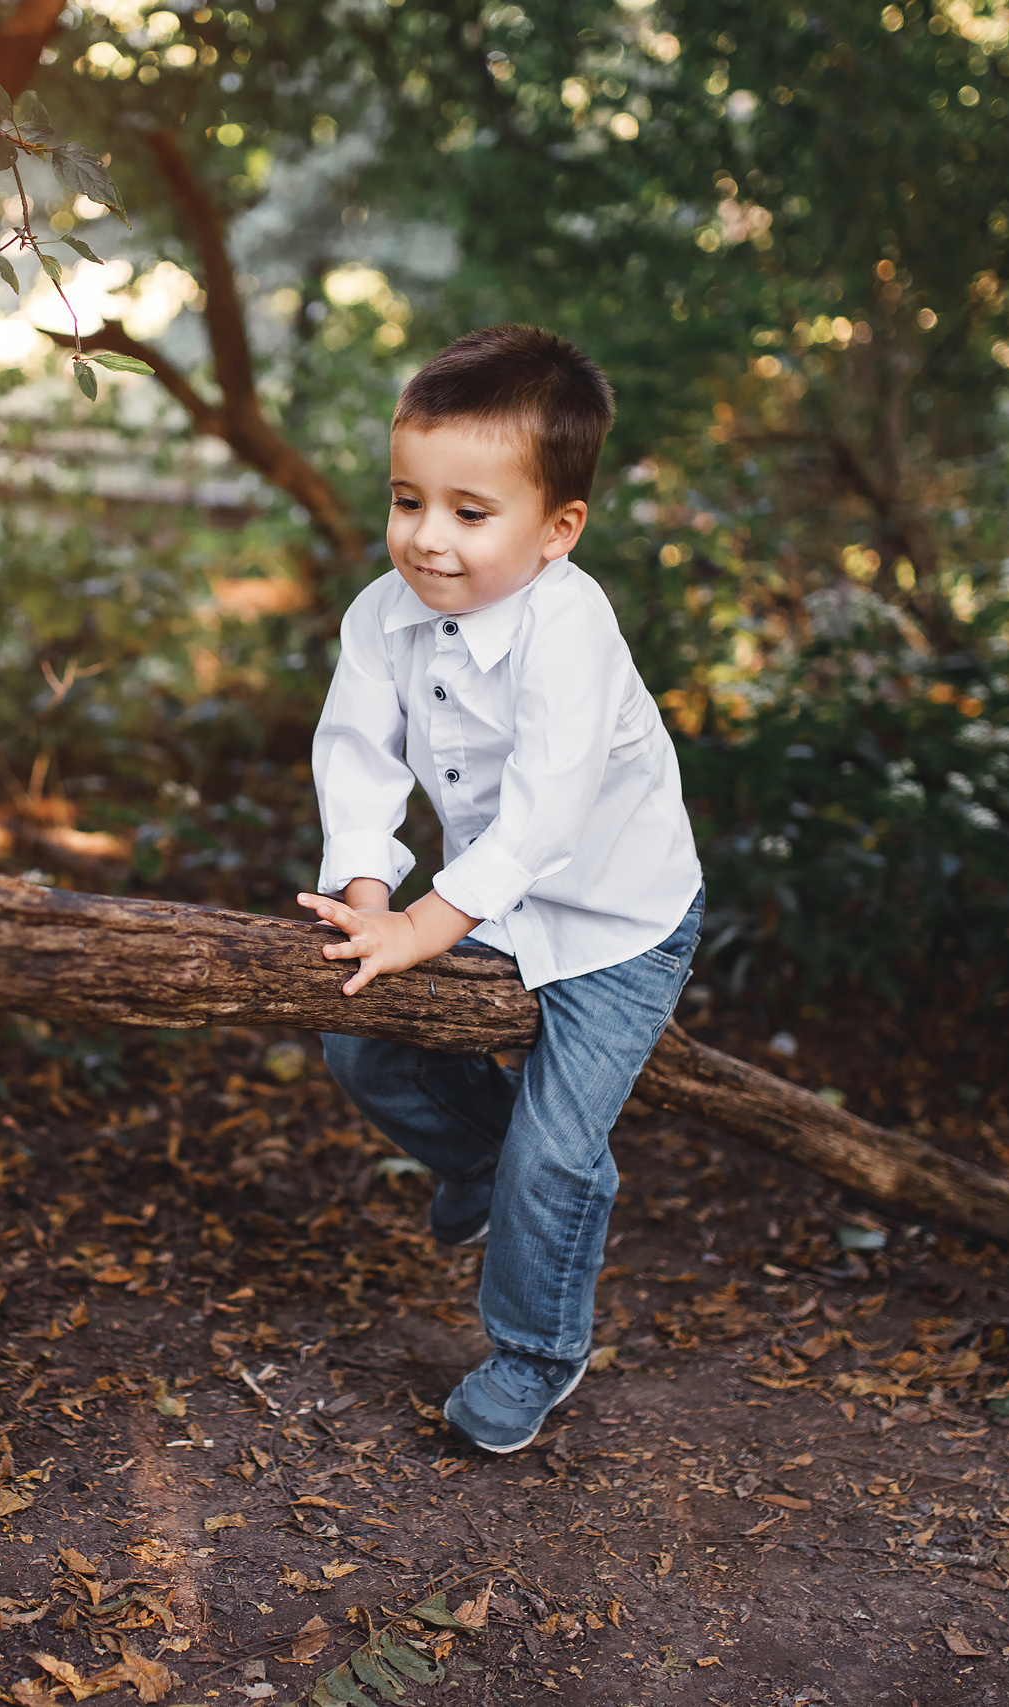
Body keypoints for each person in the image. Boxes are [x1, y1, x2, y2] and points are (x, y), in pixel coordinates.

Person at [298, 324, 705, 1454]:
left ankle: (533, 1355)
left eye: (469, 514)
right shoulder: (381, 615)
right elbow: (356, 757)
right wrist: (372, 894)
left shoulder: (568, 628)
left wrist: (427, 924)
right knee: (359, 1038)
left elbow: (546, 813)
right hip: (490, 901)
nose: (426, 539)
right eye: (405, 500)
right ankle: (475, 1157)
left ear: (556, 528)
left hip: (618, 917)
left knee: (559, 1153)